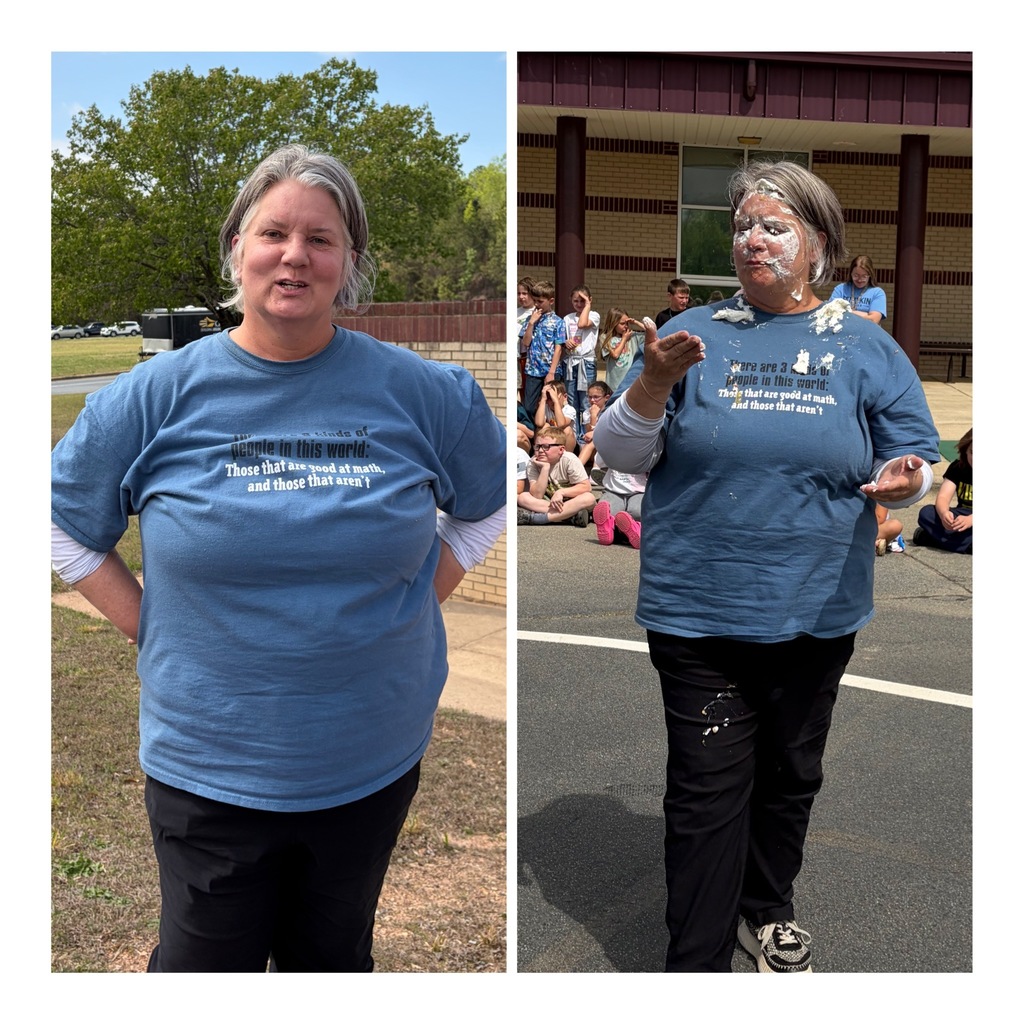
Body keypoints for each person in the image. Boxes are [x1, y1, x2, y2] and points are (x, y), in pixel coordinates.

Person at [50, 143, 507, 973]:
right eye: (273, 233)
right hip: (209, 768)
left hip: (370, 757)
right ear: (238, 249)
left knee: (331, 965)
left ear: (349, 261)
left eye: (321, 239)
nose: (295, 255)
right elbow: (58, 525)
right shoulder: (152, 397)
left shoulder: (427, 393)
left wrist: (419, 596)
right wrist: (148, 626)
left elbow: (483, 506)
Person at [594, 159, 939, 973]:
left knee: (789, 773)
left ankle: (768, 905)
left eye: (773, 226)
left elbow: (919, 457)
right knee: (707, 791)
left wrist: (910, 479)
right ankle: (699, 962)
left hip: (817, 606)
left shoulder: (864, 345)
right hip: (698, 608)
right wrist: (649, 384)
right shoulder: (691, 335)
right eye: (743, 225)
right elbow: (616, 453)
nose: (752, 239)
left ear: (818, 245)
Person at [516, 426, 596, 527]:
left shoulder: (569, 460)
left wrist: (561, 492)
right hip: (549, 502)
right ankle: (570, 516)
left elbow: (586, 487)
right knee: (523, 497)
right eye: (537, 446)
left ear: (561, 449)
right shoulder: (533, 463)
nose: (540, 450)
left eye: (546, 446)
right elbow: (537, 495)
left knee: (589, 498)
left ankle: (538, 519)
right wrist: (545, 468)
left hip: (571, 500)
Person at [914, 427, 972, 553]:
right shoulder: (958, 468)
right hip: (961, 517)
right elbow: (943, 497)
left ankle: (930, 539)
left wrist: (971, 520)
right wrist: (944, 513)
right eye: (972, 452)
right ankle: (966, 545)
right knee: (927, 513)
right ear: (965, 451)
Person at [519, 279, 566, 419]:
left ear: (550, 301)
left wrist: (551, 372)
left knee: (551, 404)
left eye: (540, 301)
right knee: (528, 406)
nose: (537, 304)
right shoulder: (530, 319)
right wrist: (531, 323)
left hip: (551, 371)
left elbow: (558, 348)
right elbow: (526, 343)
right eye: (535, 301)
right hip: (533, 370)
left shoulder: (558, 322)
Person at [561, 285, 601, 425]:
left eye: (582, 301)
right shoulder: (567, 318)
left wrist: (587, 306)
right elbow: (565, 338)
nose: (579, 304)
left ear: (589, 300)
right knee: (572, 400)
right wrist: (566, 342)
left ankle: (585, 435)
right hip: (571, 361)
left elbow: (582, 324)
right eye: (575, 301)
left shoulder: (594, 315)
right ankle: (574, 433)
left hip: (586, 362)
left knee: (586, 400)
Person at [591, 461, 647, 549]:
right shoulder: (609, 446)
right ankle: (613, 530)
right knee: (606, 509)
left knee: (637, 512)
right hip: (613, 490)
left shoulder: (646, 447)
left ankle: (628, 531)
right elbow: (598, 464)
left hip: (640, 491)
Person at [830, 254, 887, 324]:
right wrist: (865, 314)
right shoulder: (840, 289)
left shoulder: (877, 293)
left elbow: (873, 320)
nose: (860, 280)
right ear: (851, 274)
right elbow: (831, 313)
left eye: (864, 276)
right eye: (856, 275)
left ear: (870, 275)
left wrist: (846, 312)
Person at [599, 308, 645, 393]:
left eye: (627, 323)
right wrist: (624, 339)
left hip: (631, 383)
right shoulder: (605, 338)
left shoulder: (633, 337)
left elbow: (652, 332)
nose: (626, 326)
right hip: (614, 384)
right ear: (613, 323)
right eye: (622, 323)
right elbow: (615, 355)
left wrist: (636, 323)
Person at [575, 380, 612, 471]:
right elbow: (589, 434)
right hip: (593, 449)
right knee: (592, 441)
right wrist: (593, 416)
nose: (592, 400)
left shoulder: (611, 411)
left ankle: (581, 469)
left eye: (596, 397)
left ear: (606, 397)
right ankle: (575, 470)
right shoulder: (587, 413)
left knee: (597, 439)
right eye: (590, 397)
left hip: (609, 449)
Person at [533, 379, 578, 452]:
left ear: (565, 397)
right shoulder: (545, 407)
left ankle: (566, 458)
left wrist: (556, 401)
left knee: (567, 430)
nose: (551, 401)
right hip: (549, 441)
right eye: (549, 398)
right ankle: (540, 453)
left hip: (565, 442)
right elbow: (539, 423)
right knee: (543, 427)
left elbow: (561, 424)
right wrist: (543, 399)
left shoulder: (569, 409)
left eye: (554, 397)